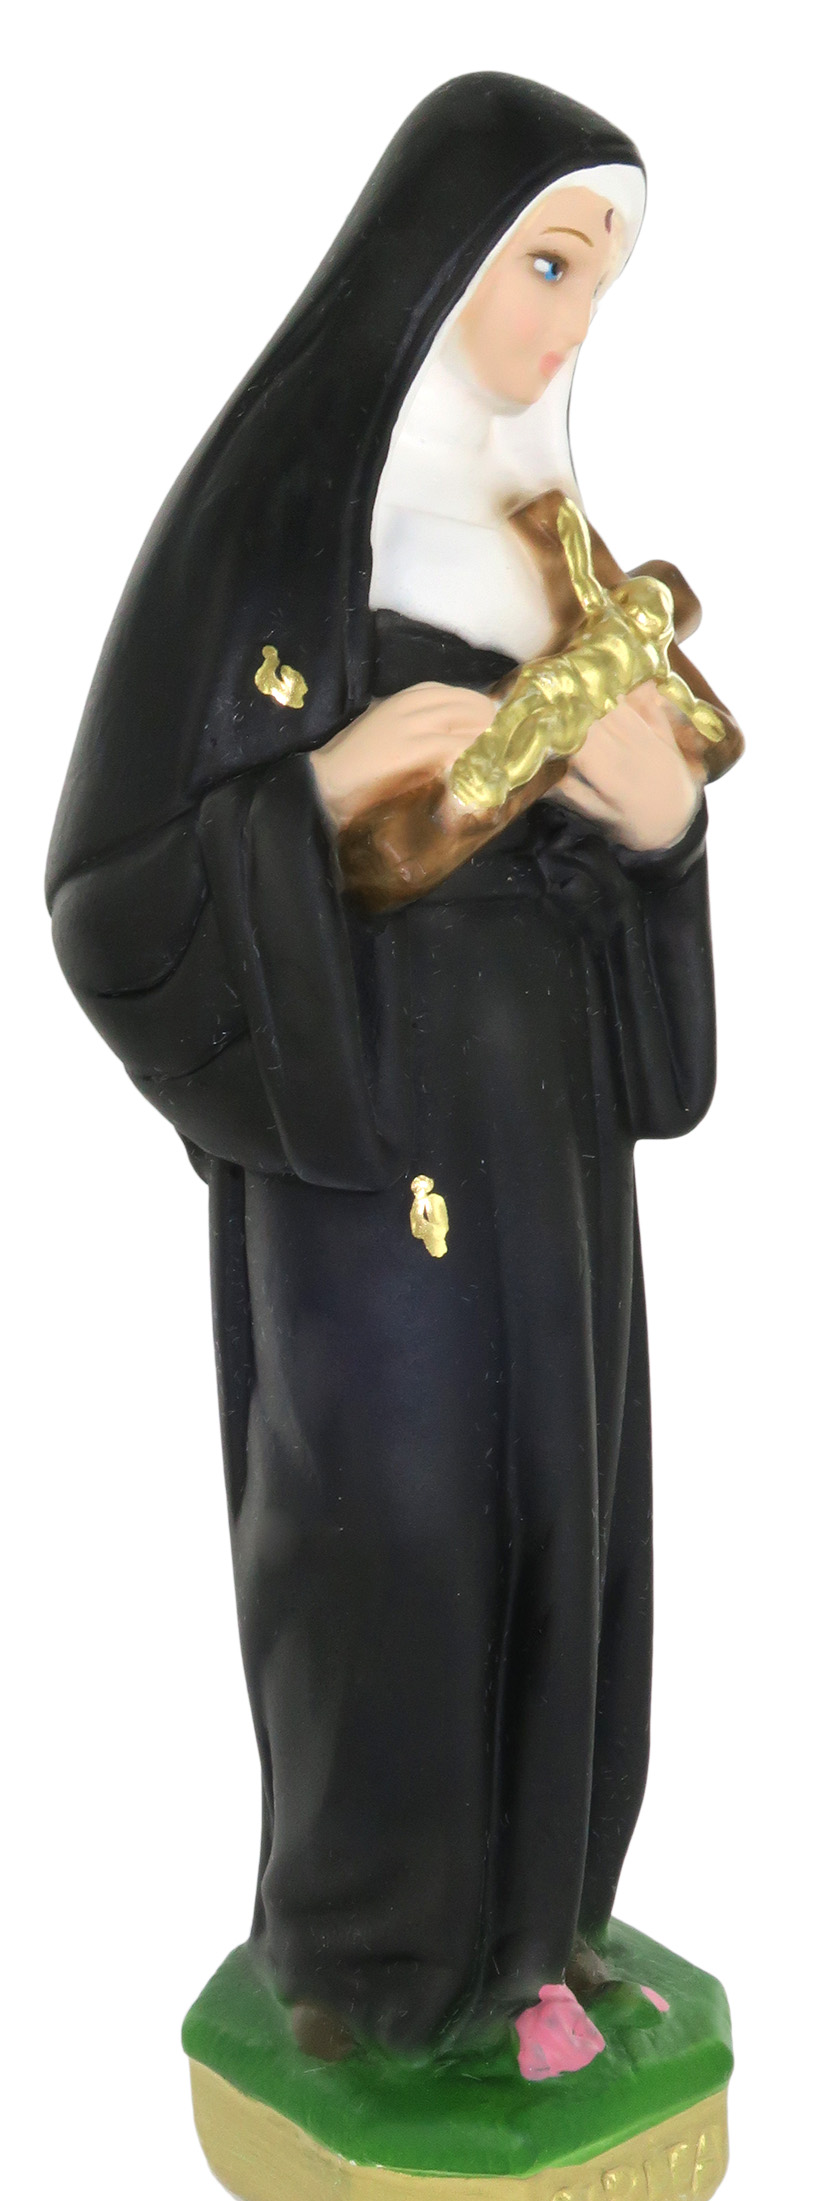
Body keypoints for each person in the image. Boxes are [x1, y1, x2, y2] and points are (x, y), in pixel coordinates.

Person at [46, 74, 717, 2065]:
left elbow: (636, 903)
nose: (571, 325)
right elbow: (110, 888)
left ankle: (536, 1936)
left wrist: (667, 831)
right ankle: (369, 1965)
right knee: (389, 1529)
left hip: (550, 1152)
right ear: (433, 259)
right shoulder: (269, 535)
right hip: (366, 1152)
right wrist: (324, 787)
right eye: (548, 264)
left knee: (562, 1510)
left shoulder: (549, 552)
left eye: (599, 284)